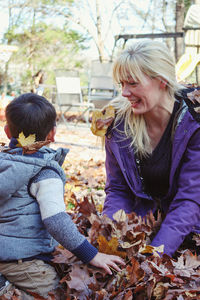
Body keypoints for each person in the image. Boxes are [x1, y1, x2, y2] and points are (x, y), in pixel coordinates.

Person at [0, 93, 125, 298]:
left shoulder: (4, 165)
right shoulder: (44, 172)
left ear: (7, 131)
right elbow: (56, 221)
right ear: (53, 134)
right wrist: (91, 254)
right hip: (24, 262)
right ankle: (6, 291)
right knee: (57, 295)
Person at [101, 39, 200, 257]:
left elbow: (191, 199)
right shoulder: (118, 125)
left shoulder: (195, 121)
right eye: (122, 84)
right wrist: (111, 236)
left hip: (191, 230)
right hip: (142, 226)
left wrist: (156, 252)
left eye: (133, 83)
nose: (124, 93)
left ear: (162, 81)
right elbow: (118, 189)